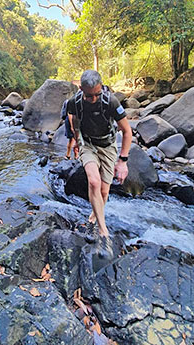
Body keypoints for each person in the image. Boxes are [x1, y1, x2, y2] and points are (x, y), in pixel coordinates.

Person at [66, 70, 132, 258]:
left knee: (104, 191)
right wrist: (77, 141)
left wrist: (123, 161)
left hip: (108, 146)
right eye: (89, 96)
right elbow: (74, 119)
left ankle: (95, 215)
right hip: (88, 145)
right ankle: (103, 229)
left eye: (97, 94)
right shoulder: (75, 102)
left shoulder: (110, 102)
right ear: (81, 90)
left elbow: (127, 132)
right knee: (94, 182)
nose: (93, 99)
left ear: (102, 87)